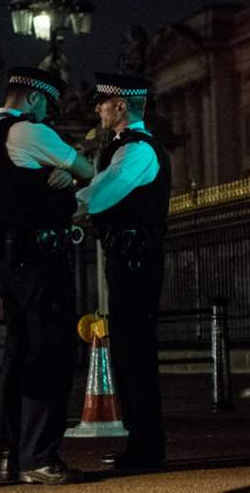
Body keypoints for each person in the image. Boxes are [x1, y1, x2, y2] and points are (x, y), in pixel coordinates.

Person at [0, 67, 94, 485]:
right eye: (46, 104)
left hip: (7, 260)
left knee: (19, 352)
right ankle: (40, 456)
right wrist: (63, 182)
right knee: (49, 353)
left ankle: (11, 450)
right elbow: (86, 167)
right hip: (40, 257)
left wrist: (51, 180)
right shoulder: (28, 132)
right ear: (33, 98)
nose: (48, 113)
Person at [74, 72, 171, 470]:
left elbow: (104, 191)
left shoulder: (139, 150)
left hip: (137, 259)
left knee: (136, 354)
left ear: (120, 105)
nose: (97, 108)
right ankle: (141, 442)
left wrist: (64, 204)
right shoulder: (122, 147)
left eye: (102, 102)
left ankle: (148, 447)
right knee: (128, 353)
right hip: (126, 257)